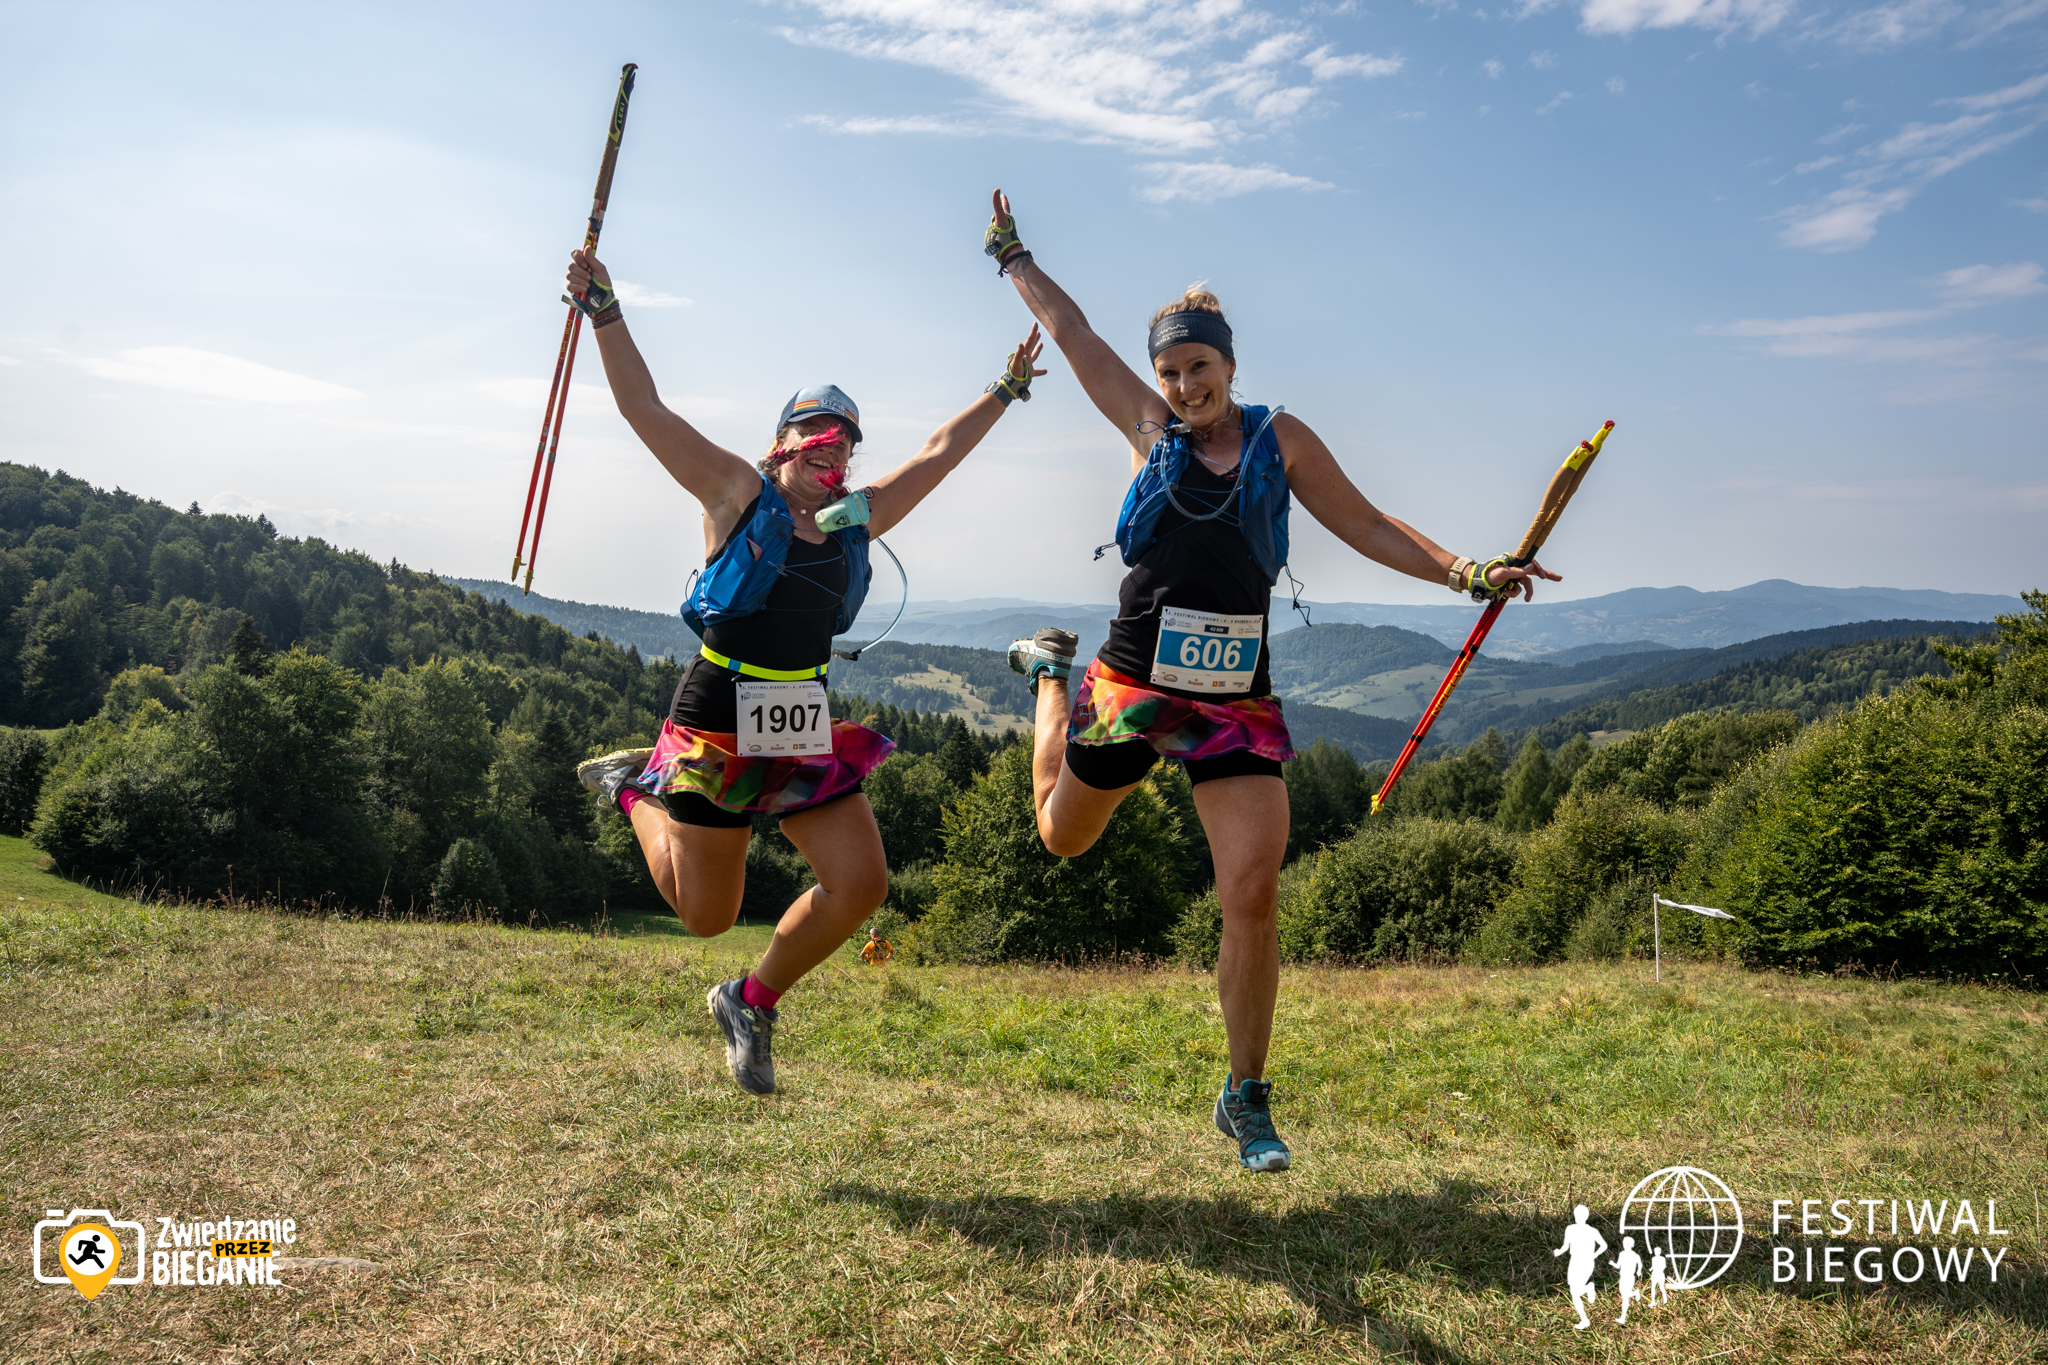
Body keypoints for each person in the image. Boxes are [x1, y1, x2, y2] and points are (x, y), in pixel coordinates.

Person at [979, 189, 1558, 1173]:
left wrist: (1466, 571)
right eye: (1169, 372)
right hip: (1132, 683)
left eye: (1196, 367)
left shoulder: (1278, 441)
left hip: (1233, 696)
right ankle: (1049, 679)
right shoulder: (1149, 427)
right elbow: (1070, 331)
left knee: (1250, 890)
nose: (1182, 386)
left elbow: (1367, 524)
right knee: (1061, 837)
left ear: (1229, 364)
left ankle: (1244, 1095)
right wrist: (1013, 258)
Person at [566, 246, 1045, 1095]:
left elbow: (937, 454)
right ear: (781, 442)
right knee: (706, 915)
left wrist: (1004, 390)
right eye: (819, 435)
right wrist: (606, 309)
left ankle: (750, 1001)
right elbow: (644, 407)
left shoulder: (853, 518)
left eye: (845, 443)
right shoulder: (734, 492)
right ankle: (635, 790)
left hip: (798, 717)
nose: (834, 452)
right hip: (720, 710)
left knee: (860, 883)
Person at [1553, 1206, 1608, 1330]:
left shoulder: (1591, 1231)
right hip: (1575, 1260)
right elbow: (1565, 1246)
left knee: (1575, 1291)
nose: (1578, 1217)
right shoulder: (1570, 1229)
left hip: (1585, 1261)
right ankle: (1584, 1319)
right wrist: (1558, 1252)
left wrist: (1594, 1255)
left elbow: (1603, 1245)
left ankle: (1588, 1288)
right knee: (1573, 1292)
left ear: (1586, 1216)